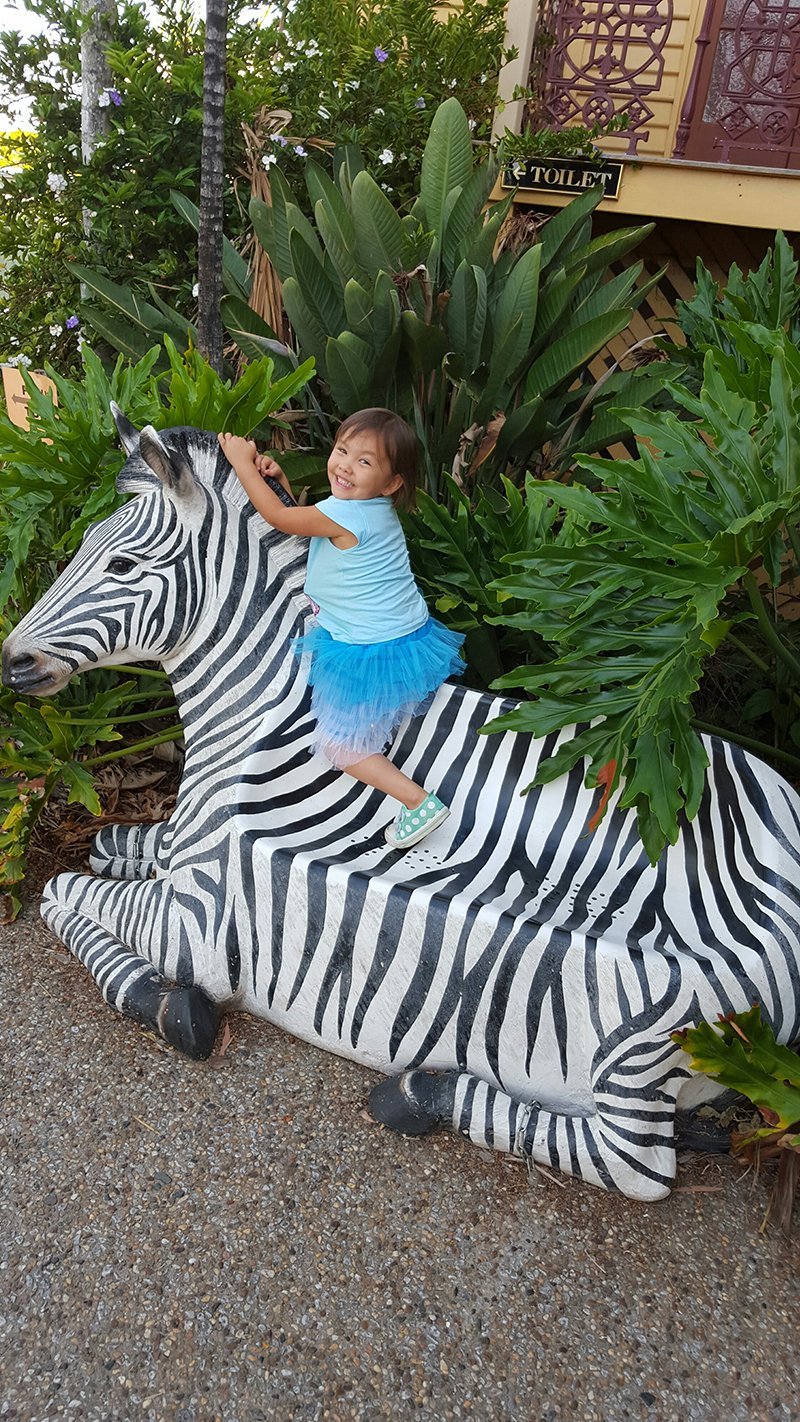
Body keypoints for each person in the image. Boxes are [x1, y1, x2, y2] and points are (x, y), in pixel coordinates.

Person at [218, 408, 465, 849]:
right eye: (342, 450)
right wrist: (284, 485)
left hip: (368, 648)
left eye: (365, 462)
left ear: (391, 483)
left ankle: (417, 801)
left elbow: (279, 519)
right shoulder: (369, 509)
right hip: (405, 634)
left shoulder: (345, 514)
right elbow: (307, 523)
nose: (346, 466)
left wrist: (241, 463)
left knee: (341, 747)